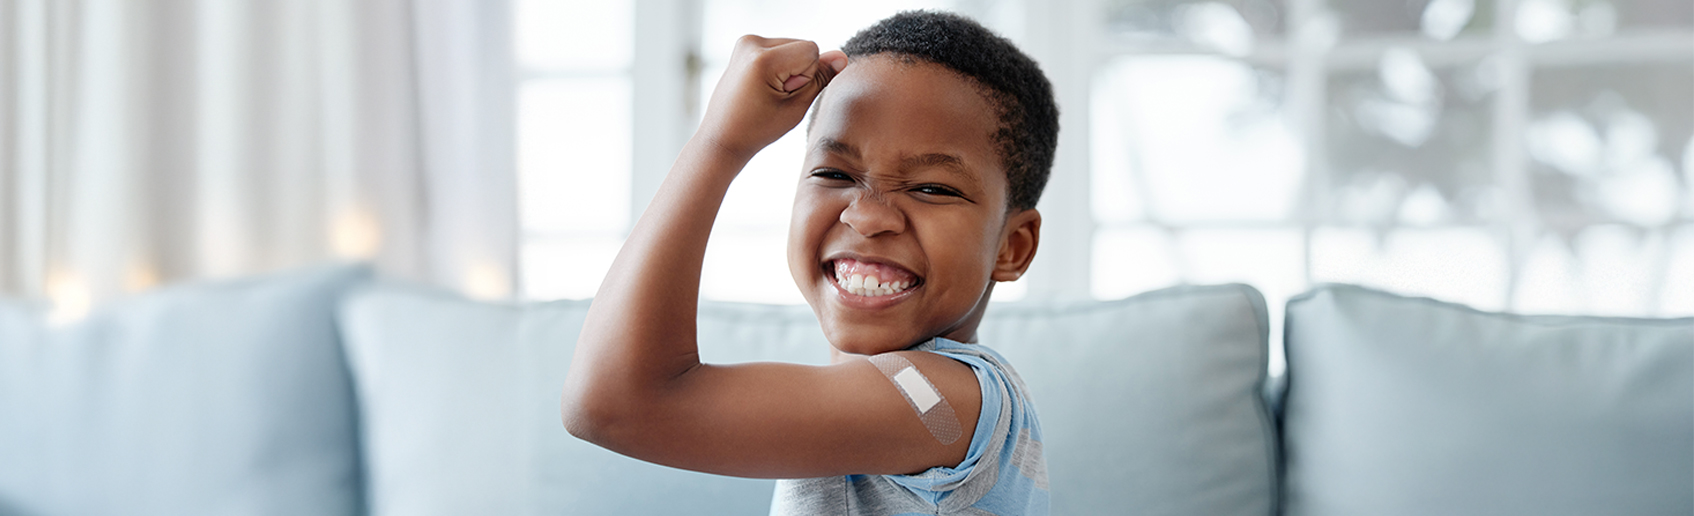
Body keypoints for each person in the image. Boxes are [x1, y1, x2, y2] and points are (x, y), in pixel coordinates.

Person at [561, 10, 1058, 515]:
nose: (866, 216)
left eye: (932, 188)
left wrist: (721, 142)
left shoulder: (948, 401)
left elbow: (614, 403)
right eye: (834, 173)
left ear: (1011, 247)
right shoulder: (881, 406)